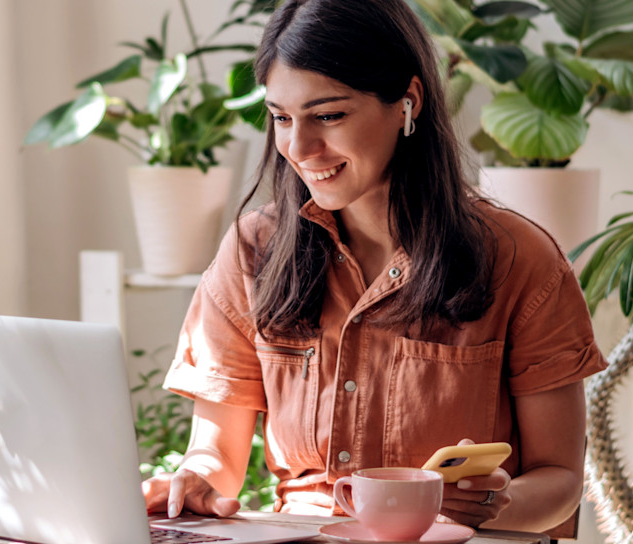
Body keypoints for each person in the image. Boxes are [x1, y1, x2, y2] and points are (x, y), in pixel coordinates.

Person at [140, 0, 607, 533]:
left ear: (408, 102)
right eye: (281, 117)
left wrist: (492, 506)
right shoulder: (254, 249)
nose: (298, 146)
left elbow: (560, 480)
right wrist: (193, 480)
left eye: (329, 115)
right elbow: (215, 459)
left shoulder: (519, 259)